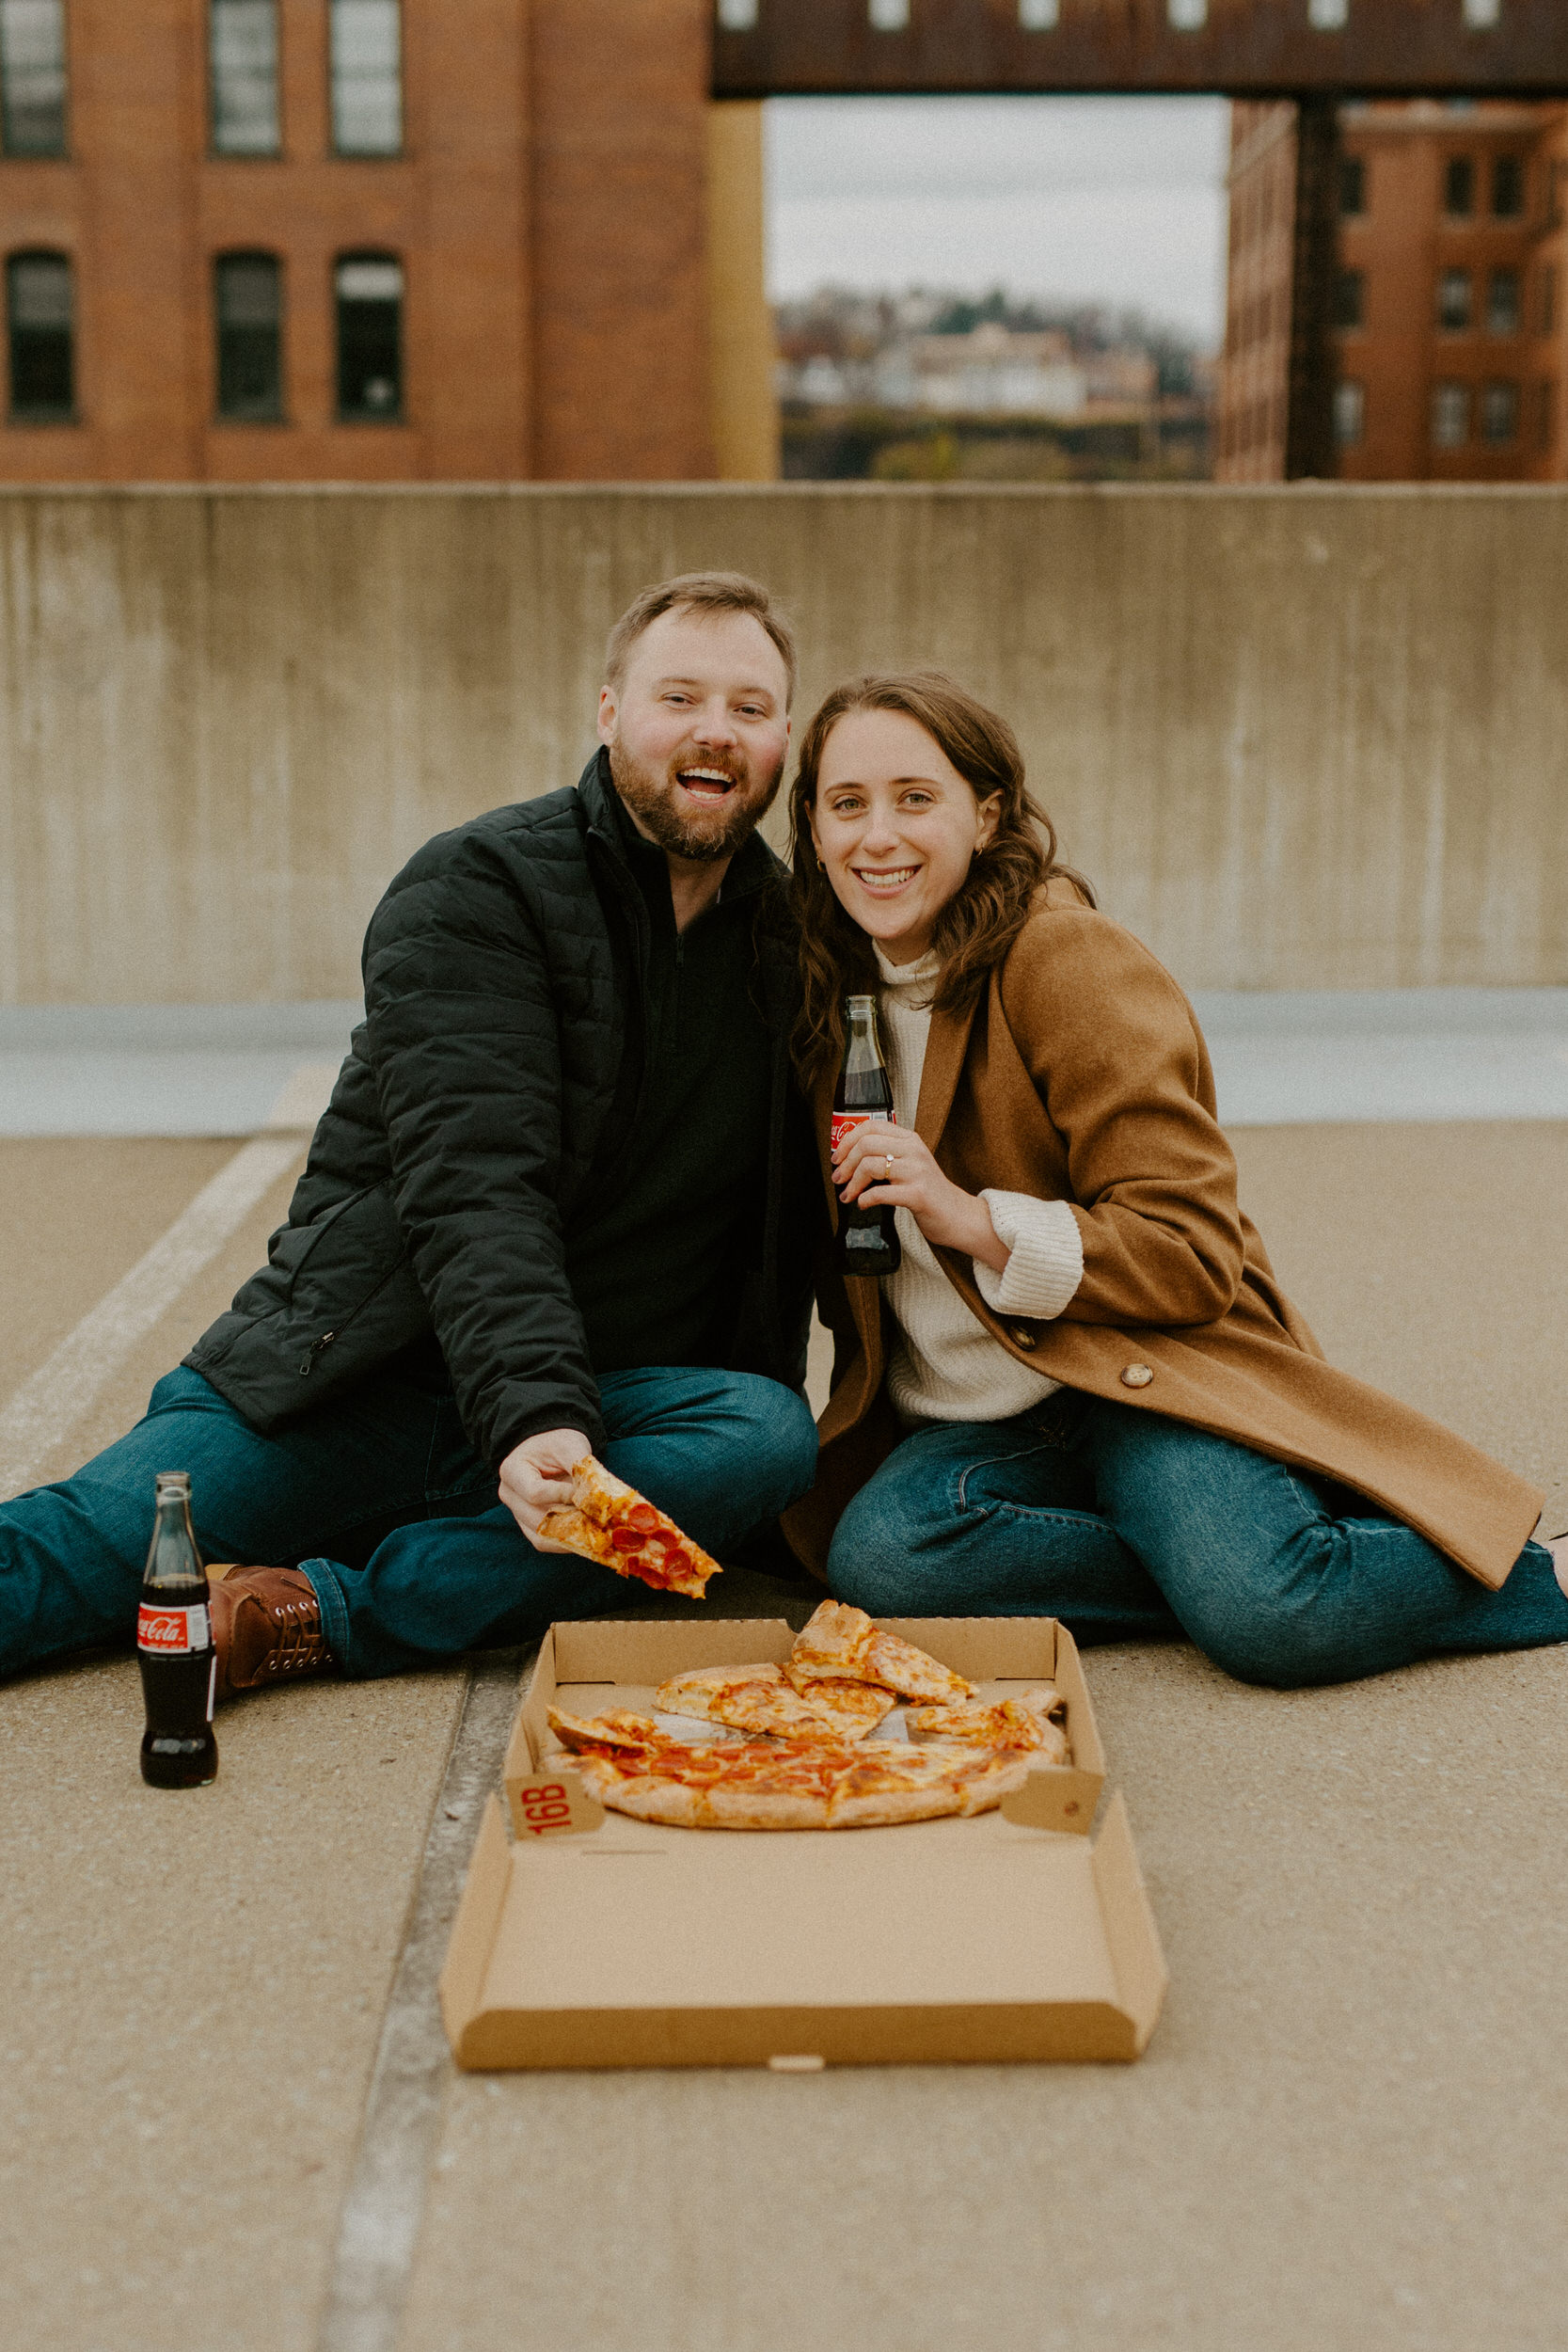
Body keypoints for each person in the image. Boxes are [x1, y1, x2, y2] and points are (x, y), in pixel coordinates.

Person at [0, 573, 821, 1689]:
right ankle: (437, 1555)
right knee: (69, 1560)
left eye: (750, 707)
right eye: (678, 697)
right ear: (608, 713)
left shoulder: (798, 950)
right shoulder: (481, 887)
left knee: (763, 1436)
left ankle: (315, 1609)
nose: (713, 731)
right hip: (362, 1388)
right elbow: (472, 1183)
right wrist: (533, 1416)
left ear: (782, 740)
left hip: (612, 1413)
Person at [783, 670, 1568, 1688]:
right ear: (808, 824)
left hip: (1143, 1373)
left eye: (913, 798)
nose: (875, 837)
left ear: (984, 812)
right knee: (881, 1560)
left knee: (1272, 1618)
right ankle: (1221, 1551)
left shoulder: (1063, 957)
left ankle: (1517, 1572)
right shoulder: (816, 982)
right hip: (977, 1425)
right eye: (846, 805)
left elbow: (1191, 1250)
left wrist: (972, 1219)